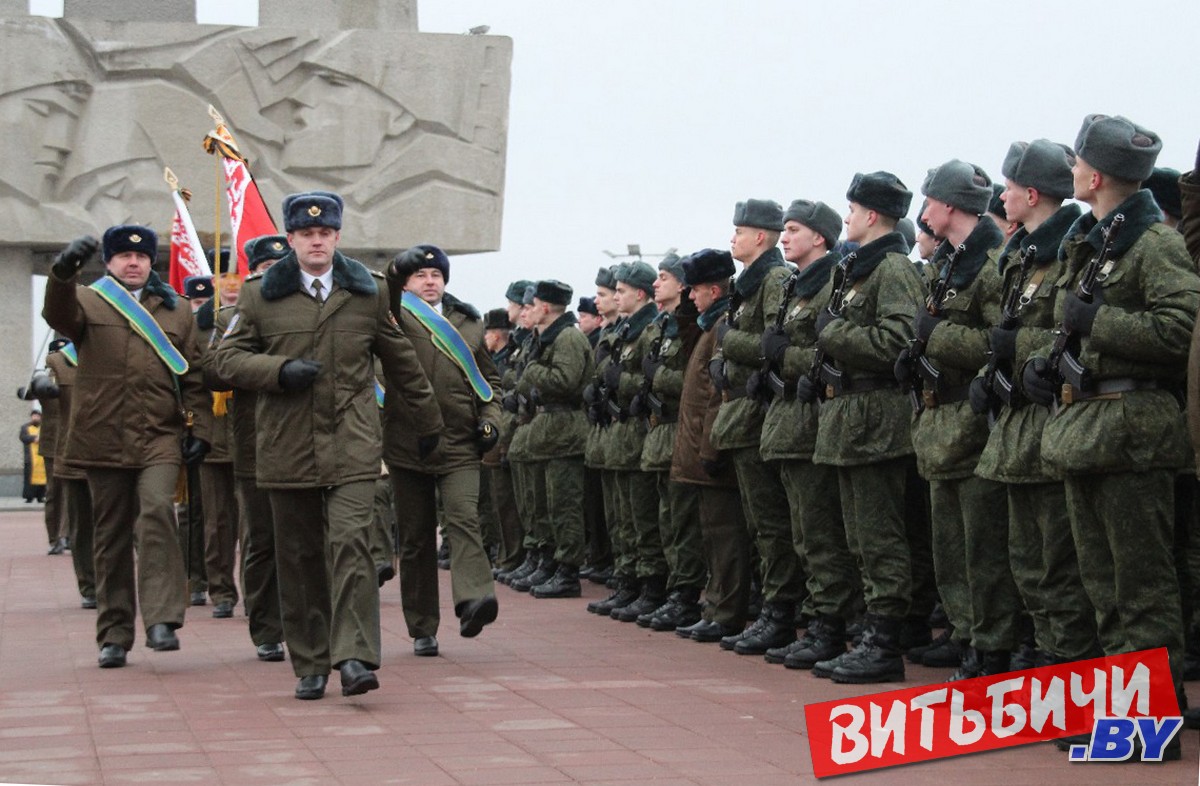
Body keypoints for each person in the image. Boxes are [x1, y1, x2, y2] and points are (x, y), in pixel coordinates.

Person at [214, 191, 443, 700]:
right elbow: (224, 361)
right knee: (297, 557)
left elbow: (400, 358)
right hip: (285, 445)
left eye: (325, 234)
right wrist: (277, 371)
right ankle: (311, 661)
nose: (316, 242)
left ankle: (355, 656)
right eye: (306, 234)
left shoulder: (369, 292)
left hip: (353, 443)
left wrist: (428, 422)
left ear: (337, 237)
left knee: (351, 544)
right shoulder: (258, 295)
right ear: (291, 239)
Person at [1022, 115, 1199, 758]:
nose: (1070, 173)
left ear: (1094, 176)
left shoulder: (1153, 244)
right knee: (1103, 586)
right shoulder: (1095, 241)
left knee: (1140, 588)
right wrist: (1045, 364)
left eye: (1076, 165)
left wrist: (1102, 322)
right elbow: (1070, 329)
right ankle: (1122, 716)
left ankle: (1154, 726)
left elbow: (1181, 332)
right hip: (1087, 430)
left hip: (1130, 435)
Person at [43, 225, 212, 669]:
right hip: (101, 434)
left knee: (158, 510)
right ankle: (115, 633)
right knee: (111, 535)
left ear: (150, 262)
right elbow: (58, 316)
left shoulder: (175, 309)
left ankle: (161, 619)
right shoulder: (88, 300)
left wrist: (199, 429)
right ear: (110, 262)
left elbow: (193, 375)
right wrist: (62, 274)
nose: (133, 263)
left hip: (159, 433)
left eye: (140, 257)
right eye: (122, 256)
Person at [972, 139, 1097, 671]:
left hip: (1050, 423)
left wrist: (1014, 351)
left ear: (1030, 193)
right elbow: (1006, 328)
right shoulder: (1022, 254)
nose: (1001, 198)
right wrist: (989, 370)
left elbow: (1062, 329)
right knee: (1027, 564)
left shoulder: (1066, 247)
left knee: (1057, 566)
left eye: (1007, 188)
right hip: (1017, 431)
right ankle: (1049, 665)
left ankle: (1068, 673)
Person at [808, 173, 926, 683]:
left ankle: (884, 643)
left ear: (872, 215)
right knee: (859, 538)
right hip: (850, 421)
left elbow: (899, 340)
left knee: (880, 539)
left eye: (852, 208)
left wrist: (834, 333)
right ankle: (869, 634)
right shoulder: (856, 270)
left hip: (877, 420)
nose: (847, 217)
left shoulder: (893, 269)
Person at [909, 159, 1015, 680]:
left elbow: (997, 344)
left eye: (930, 201)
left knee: (982, 553)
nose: (924, 212)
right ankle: (967, 638)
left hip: (972, 422)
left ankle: (990, 652)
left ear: (949, 205)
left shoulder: (993, 261)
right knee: (951, 552)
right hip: (939, 426)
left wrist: (934, 335)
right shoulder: (947, 263)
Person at [758, 199, 861, 669]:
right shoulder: (798, 286)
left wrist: (784, 356)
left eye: (794, 229)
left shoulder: (829, 285)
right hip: (789, 423)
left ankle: (830, 626)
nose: (785, 237)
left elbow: (826, 351)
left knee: (821, 536)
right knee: (802, 534)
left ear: (819, 237)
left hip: (813, 421)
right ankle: (816, 622)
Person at [384, 244, 501, 653]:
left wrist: (492, 420)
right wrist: (394, 273)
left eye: (436, 275)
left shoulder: (468, 322)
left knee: (464, 517)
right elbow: (383, 296)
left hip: (459, 442)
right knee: (415, 538)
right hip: (406, 441)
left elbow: (490, 384)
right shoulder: (394, 312)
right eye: (420, 275)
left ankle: (474, 600)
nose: (430, 281)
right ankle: (422, 627)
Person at [710, 199, 804, 655]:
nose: (733, 239)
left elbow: (772, 345)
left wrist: (729, 343)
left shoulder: (774, 279)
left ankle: (780, 612)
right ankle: (770, 609)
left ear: (760, 237)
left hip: (758, 415)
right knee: (759, 524)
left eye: (740, 231)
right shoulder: (746, 283)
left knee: (772, 525)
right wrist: (720, 358)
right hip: (740, 417)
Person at [212, 234, 290, 661]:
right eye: (262, 269)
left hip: (302, 441)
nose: (269, 276)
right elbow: (214, 369)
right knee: (261, 539)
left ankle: (305, 620)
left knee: (303, 540)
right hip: (254, 443)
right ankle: (266, 628)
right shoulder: (231, 316)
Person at [671, 249, 752, 643]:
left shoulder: (722, 324)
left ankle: (726, 611)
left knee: (725, 536)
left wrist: (712, 449)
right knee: (711, 534)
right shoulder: (708, 324)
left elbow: (717, 395)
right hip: (701, 447)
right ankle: (715, 606)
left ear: (715, 289)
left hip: (711, 448)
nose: (690, 297)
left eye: (696, 290)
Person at [635, 253, 704, 630]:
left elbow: (694, 379)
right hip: (660, 434)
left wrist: (657, 377)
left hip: (679, 429)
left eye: (664, 277)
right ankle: (666, 589)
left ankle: (685, 594)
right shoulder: (663, 326)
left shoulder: (688, 325)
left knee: (682, 521)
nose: (656, 284)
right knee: (665, 520)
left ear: (682, 285)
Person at [516, 280, 594, 598]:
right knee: (549, 503)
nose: (528, 311)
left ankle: (567, 572)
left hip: (567, 428)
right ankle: (550, 562)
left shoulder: (567, 337)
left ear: (546, 308)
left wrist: (533, 370)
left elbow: (565, 380)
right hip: (553, 428)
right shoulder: (549, 338)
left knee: (565, 504)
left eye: (532, 305)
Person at [18, 410, 46, 505]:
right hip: (30, 458)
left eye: (37, 416)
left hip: (42, 458)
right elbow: (22, 437)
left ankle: (40, 496)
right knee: (29, 478)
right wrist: (34, 438)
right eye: (34, 416)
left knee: (42, 478)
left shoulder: (44, 427)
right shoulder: (25, 427)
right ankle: (29, 497)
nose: (35, 418)